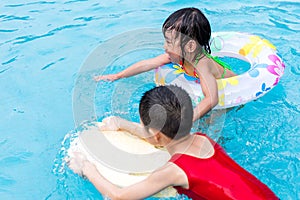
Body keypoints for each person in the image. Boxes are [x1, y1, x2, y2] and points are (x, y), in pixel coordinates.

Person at [69, 85, 278, 200]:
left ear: (156, 134)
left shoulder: (172, 171)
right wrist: (123, 125)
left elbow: (118, 196)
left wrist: (87, 168)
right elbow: (161, 140)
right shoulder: (202, 139)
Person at [94, 7, 236, 122]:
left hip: (231, 94)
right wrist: (118, 75)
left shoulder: (202, 65)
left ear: (190, 47)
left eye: (168, 42)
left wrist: (187, 121)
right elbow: (147, 64)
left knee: (209, 121)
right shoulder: (178, 56)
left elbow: (212, 98)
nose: (164, 46)